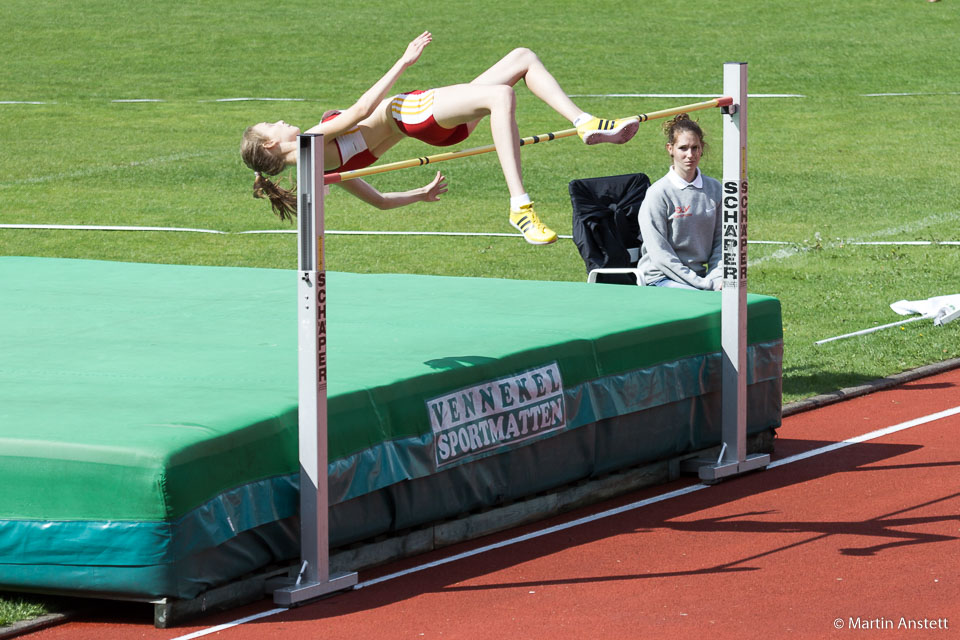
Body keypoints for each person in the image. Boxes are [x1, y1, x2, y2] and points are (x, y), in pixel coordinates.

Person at [241, 31, 639, 245]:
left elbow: (379, 202)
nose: (278, 121)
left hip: (432, 128)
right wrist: (403, 61)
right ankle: (520, 205)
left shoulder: (316, 171)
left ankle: (584, 122)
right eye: (270, 126)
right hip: (409, 112)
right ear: (271, 146)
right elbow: (362, 111)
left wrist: (421, 194)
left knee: (522, 58)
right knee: (501, 94)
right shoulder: (310, 143)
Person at [636, 113, 723, 290]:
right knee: (702, 304)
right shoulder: (658, 194)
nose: (690, 155)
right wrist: (704, 284)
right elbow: (660, 255)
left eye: (695, 148)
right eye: (683, 148)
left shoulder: (715, 189)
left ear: (702, 148)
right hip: (660, 278)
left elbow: (723, 241)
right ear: (670, 149)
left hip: (700, 278)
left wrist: (717, 278)